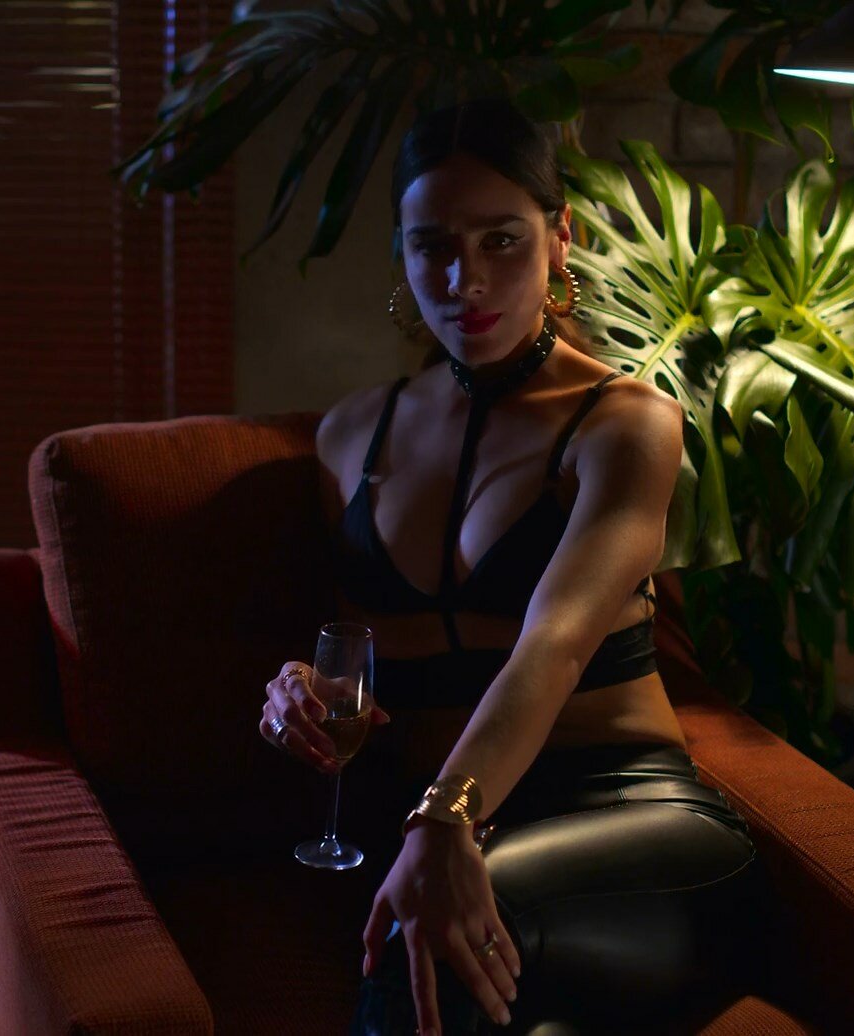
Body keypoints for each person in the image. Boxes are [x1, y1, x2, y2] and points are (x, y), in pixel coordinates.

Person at [256, 97, 763, 1035]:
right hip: (452, 826)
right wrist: (298, 689)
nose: (466, 280)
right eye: (433, 247)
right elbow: (355, 656)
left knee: (428, 939)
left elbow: (554, 645)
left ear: (560, 239)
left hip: (626, 821)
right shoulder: (351, 434)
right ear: (403, 253)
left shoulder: (627, 424)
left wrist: (443, 818)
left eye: (501, 241)